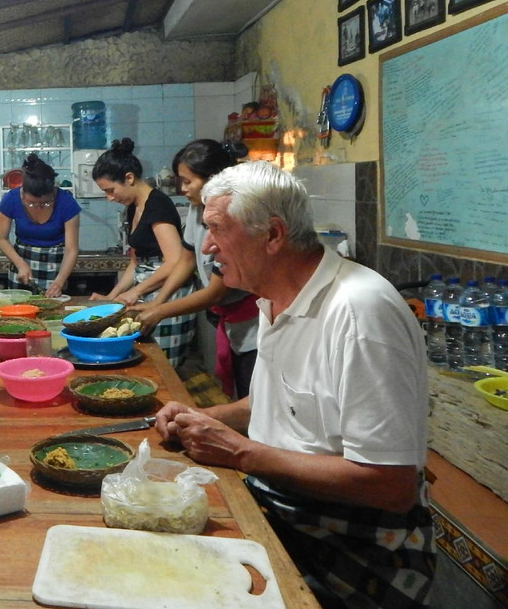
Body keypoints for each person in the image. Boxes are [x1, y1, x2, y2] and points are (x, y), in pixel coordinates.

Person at [155, 161, 434, 609]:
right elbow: (278, 402)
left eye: (217, 230)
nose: (207, 247)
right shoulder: (273, 295)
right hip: (277, 503)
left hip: (352, 542)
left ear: (273, 235)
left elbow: (390, 484)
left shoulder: (360, 312)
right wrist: (204, 417)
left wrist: (240, 452)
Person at [130, 139, 259, 398]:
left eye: (188, 181)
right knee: (236, 392)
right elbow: (186, 260)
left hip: (255, 323)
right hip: (229, 320)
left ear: (213, 179)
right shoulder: (196, 207)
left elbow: (215, 292)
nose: (182, 188)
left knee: (252, 396)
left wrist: (159, 312)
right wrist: (158, 300)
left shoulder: (235, 214)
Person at [90, 138, 196, 368]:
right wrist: (112, 296)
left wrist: (136, 290)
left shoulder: (158, 204)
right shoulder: (132, 208)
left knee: (164, 368)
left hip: (170, 294)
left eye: (110, 190)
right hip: (148, 292)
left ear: (129, 178)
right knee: (145, 361)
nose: (110, 197)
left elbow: (175, 260)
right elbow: (135, 263)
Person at [0, 152, 81, 296]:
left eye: (45, 203)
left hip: (57, 268)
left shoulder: (67, 203)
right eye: (32, 203)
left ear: (53, 191)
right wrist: (20, 264)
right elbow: (1, 238)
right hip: (21, 262)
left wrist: (59, 282)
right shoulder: (11, 199)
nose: (38, 207)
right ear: (23, 192)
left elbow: (71, 249)